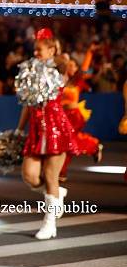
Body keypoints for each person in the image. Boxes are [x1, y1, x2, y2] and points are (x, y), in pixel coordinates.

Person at [16, 28, 77, 240]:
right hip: (36, 128)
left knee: (51, 176)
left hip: (56, 127)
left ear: (51, 49)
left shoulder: (59, 66)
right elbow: (27, 104)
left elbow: (64, 61)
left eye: (40, 49)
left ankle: (49, 224)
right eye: (35, 50)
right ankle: (57, 193)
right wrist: (19, 129)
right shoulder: (31, 70)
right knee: (30, 176)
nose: (36, 53)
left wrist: (54, 49)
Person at [58, 47, 102, 181]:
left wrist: (89, 53)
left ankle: (62, 172)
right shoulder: (60, 80)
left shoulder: (77, 80)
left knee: (67, 142)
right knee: (68, 142)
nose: (69, 67)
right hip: (63, 116)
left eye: (72, 65)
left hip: (75, 116)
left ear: (75, 68)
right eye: (68, 65)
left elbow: (84, 69)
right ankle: (93, 146)